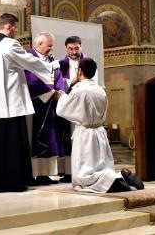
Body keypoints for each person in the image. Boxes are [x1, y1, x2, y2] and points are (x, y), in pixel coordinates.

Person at [0, 13, 56, 192]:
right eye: (15, 27)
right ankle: (14, 181)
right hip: (11, 102)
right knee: (13, 142)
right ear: (8, 26)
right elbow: (30, 62)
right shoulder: (10, 44)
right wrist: (50, 69)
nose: (15, 31)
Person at [56, 58, 142, 193]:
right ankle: (120, 177)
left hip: (85, 134)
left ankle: (115, 181)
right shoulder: (100, 90)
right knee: (101, 166)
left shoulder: (79, 90)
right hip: (99, 132)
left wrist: (61, 98)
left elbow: (63, 110)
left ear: (79, 71)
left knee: (84, 175)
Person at [25, 32, 67, 185]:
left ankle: (44, 174)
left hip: (50, 106)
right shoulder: (28, 57)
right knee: (33, 139)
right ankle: (31, 174)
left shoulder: (51, 60)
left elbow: (59, 78)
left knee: (50, 138)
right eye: (49, 46)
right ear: (39, 44)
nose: (51, 49)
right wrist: (50, 92)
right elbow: (29, 81)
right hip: (34, 105)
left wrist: (59, 91)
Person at [57, 35, 87, 182]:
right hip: (67, 103)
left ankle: (80, 169)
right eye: (70, 48)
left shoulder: (88, 62)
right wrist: (71, 81)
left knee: (80, 137)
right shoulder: (60, 64)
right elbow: (58, 82)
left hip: (81, 104)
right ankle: (67, 171)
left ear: (81, 47)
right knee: (65, 137)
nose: (74, 52)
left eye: (76, 48)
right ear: (66, 48)